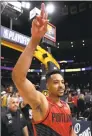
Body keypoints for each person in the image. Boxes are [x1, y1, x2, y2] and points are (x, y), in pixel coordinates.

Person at [12, 3, 77, 136]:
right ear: (47, 85)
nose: (61, 85)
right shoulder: (42, 102)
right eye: (56, 82)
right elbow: (18, 78)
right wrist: (34, 40)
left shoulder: (66, 107)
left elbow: (70, 132)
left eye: (62, 82)